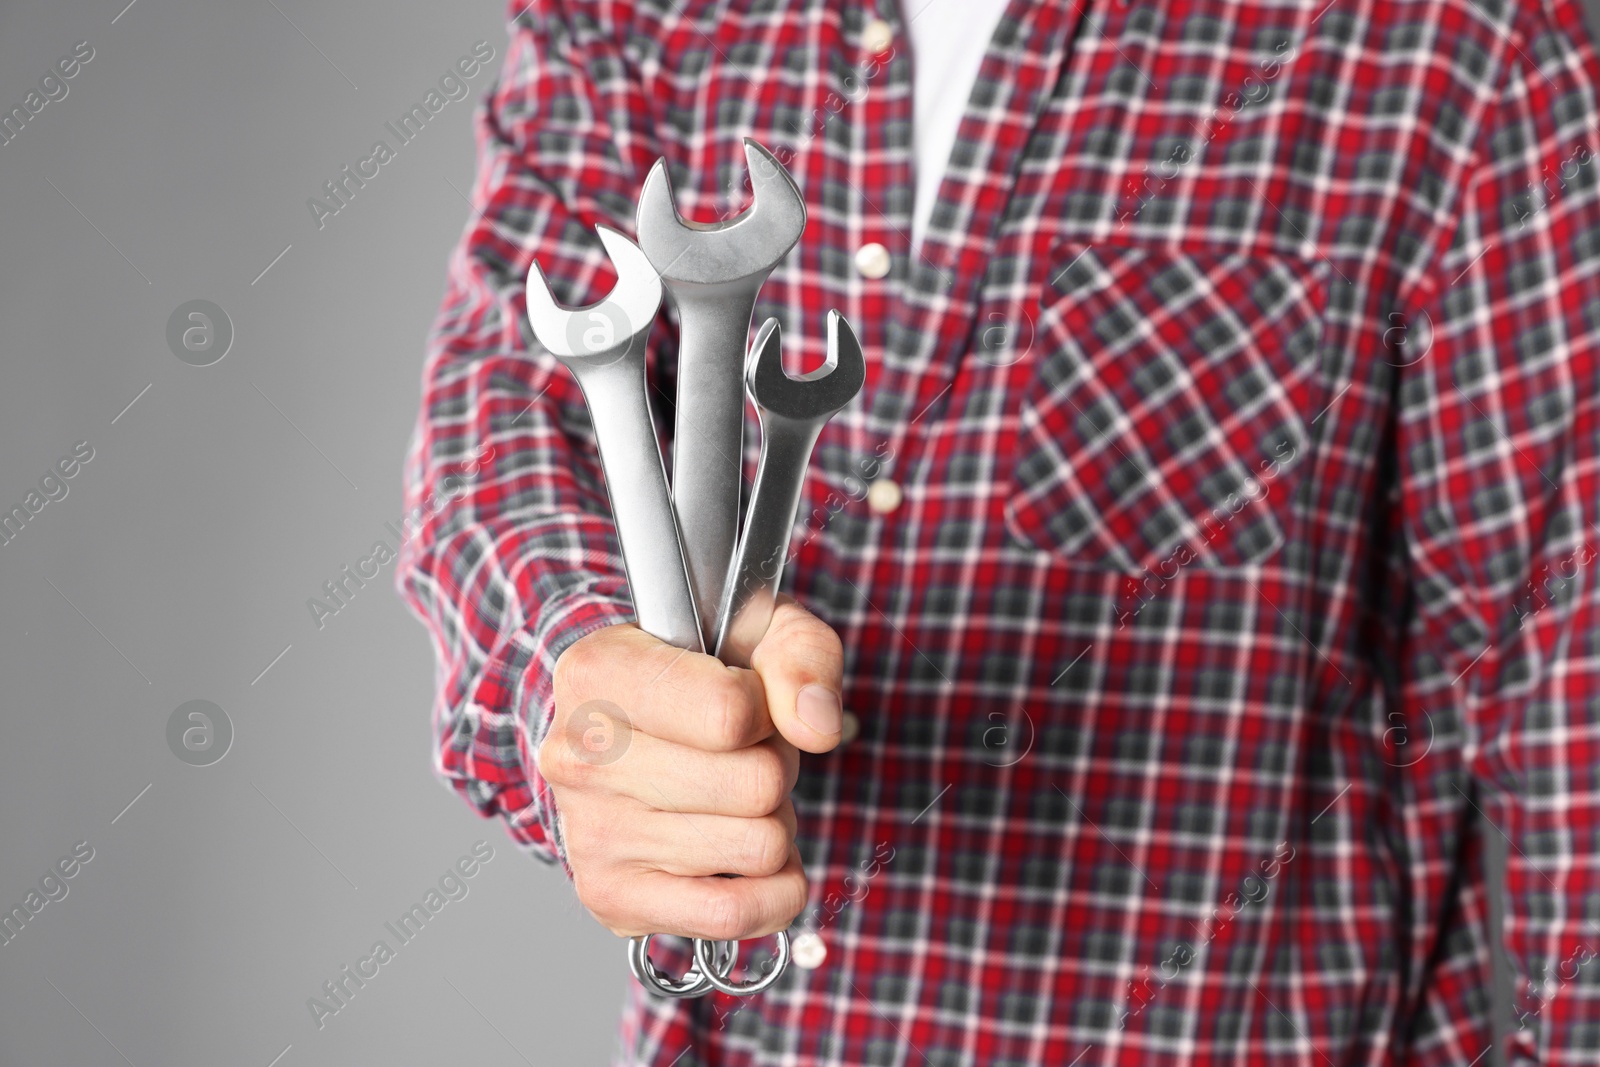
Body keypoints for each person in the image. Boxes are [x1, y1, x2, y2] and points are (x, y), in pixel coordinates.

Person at [398, 0, 1600, 1062]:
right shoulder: (639, 13)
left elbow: (1574, 689)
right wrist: (586, 678)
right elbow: (506, 412)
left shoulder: (1461, 41)